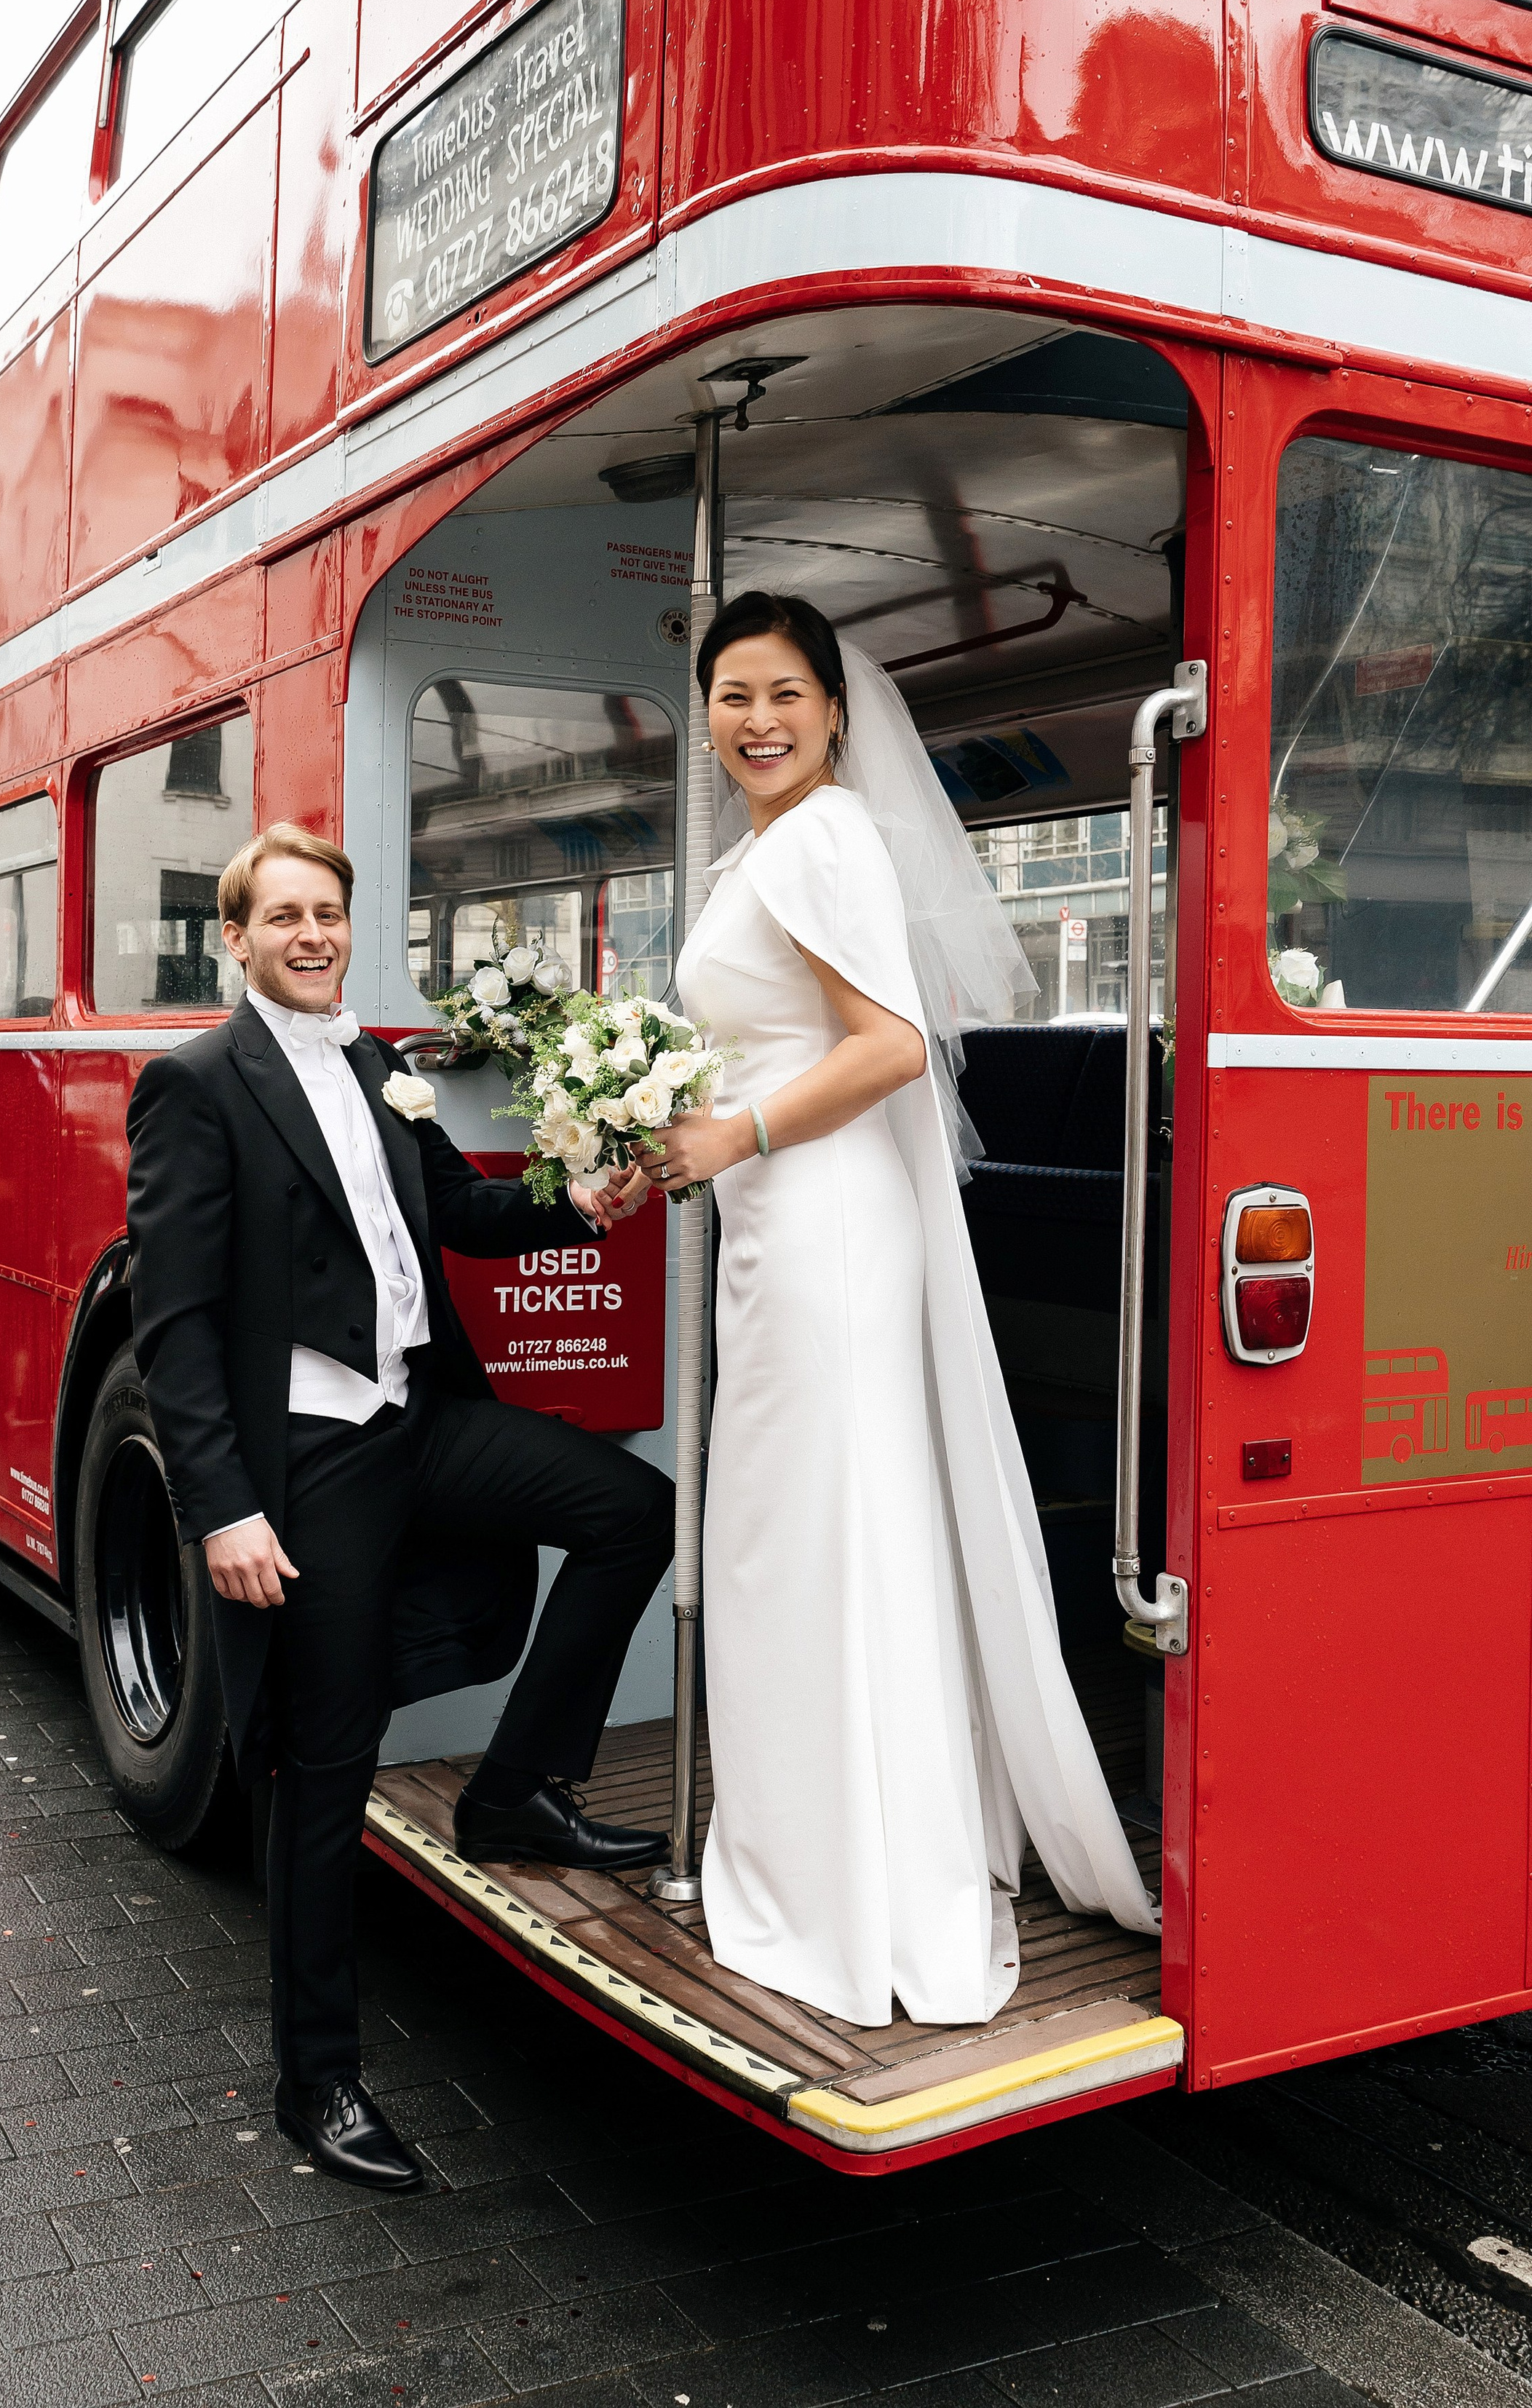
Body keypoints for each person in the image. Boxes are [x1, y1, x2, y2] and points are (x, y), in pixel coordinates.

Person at [126, 823, 672, 2191]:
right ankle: (318, 2084)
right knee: (328, 1760)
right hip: (311, 1457)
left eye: (331, 913)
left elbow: (455, 1222)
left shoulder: (375, 1064)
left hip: (418, 1415)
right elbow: (177, 1326)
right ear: (238, 936)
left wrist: (581, 1206)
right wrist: (222, 1510)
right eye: (286, 916)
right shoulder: (196, 1086)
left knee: (631, 1512)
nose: (313, 935)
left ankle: (512, 1793)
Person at [639, 595, 1157, 2028]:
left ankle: (848, 1881)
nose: (755, 718)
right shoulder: (766, 846)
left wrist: (731, 1139)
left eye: (783, 692)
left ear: (833, 710)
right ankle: (817, 1851)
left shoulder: (820, 838)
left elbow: (879, 1049)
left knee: (812, 1541)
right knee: (789, 1540)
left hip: (818, 1231)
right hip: (777, 1228)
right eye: (730, 695)